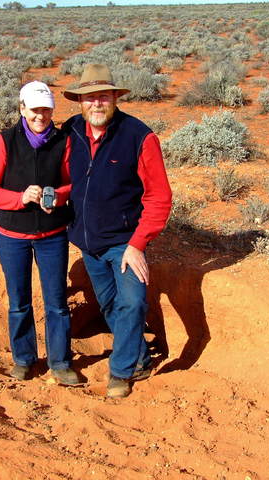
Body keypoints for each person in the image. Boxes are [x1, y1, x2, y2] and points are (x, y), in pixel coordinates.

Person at [62, 64, 172, 398]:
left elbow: (159, 196)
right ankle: (138, 358)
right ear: (80, 102)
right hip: (86, 240)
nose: (96, 104)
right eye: (89, 98)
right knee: (109, 303)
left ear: (114, 98)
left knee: (134, 302)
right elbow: (33, 147)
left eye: (103, 97)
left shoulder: (139, 136)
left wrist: (138, 244)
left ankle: (121, 373)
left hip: (125, 242)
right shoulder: (71, 131)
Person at [0, 81, 80, 386]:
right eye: (35, 110)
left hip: (52, 235)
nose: (41, 116)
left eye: (47, 110)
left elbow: (72, 183)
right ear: (22, 108)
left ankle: (60, 362)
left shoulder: (64, 141)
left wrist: (58, 197)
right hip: (12, 236)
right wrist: (20, 199)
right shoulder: (4, 142)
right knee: (19, 300)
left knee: (57, 301)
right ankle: (24, 359)